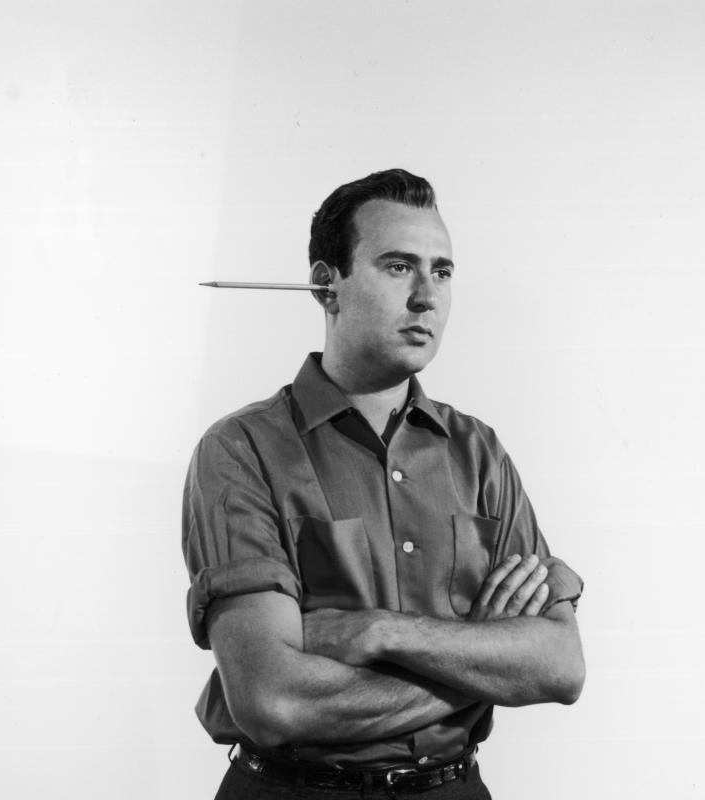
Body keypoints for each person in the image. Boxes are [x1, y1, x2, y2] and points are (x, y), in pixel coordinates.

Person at [182, 168, 585, 800]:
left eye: (442, 272)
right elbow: (274, 701)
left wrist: (377, 631)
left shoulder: (479, 452)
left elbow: (559, 665)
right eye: (399, 267)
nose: (427, 297)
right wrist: (483, 662)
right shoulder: (240, 451)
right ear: (326, 285)